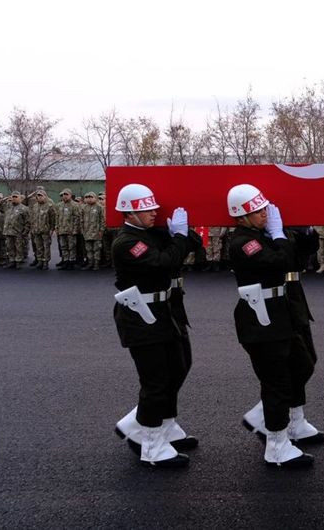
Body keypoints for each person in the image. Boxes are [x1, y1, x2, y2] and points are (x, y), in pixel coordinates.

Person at [228, 183, 323, 468]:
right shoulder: (245, 242)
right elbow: (280, 261)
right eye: (257, 210)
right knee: (277, 381)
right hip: (261, 319)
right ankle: (277, 444)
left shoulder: (261, 234)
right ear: (242, 215)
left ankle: (268, 418)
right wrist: (280, 235)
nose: (264, 214)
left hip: (278, 314)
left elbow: (297, 256)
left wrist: (302, 231)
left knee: (302, 364)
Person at [110, 183, 200, 468]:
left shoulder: (150, 233)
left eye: (153, 208)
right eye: (146, 209)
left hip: (164, 311)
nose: (153, 213)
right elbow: (164, 263)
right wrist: (179, 238)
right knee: (156, 380)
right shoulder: (128, 242)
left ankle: (164, 426)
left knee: (179, 367)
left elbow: (193, 244)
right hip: (141, 316)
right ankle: (150, 444)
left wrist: (182, 234)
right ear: (129, 213)